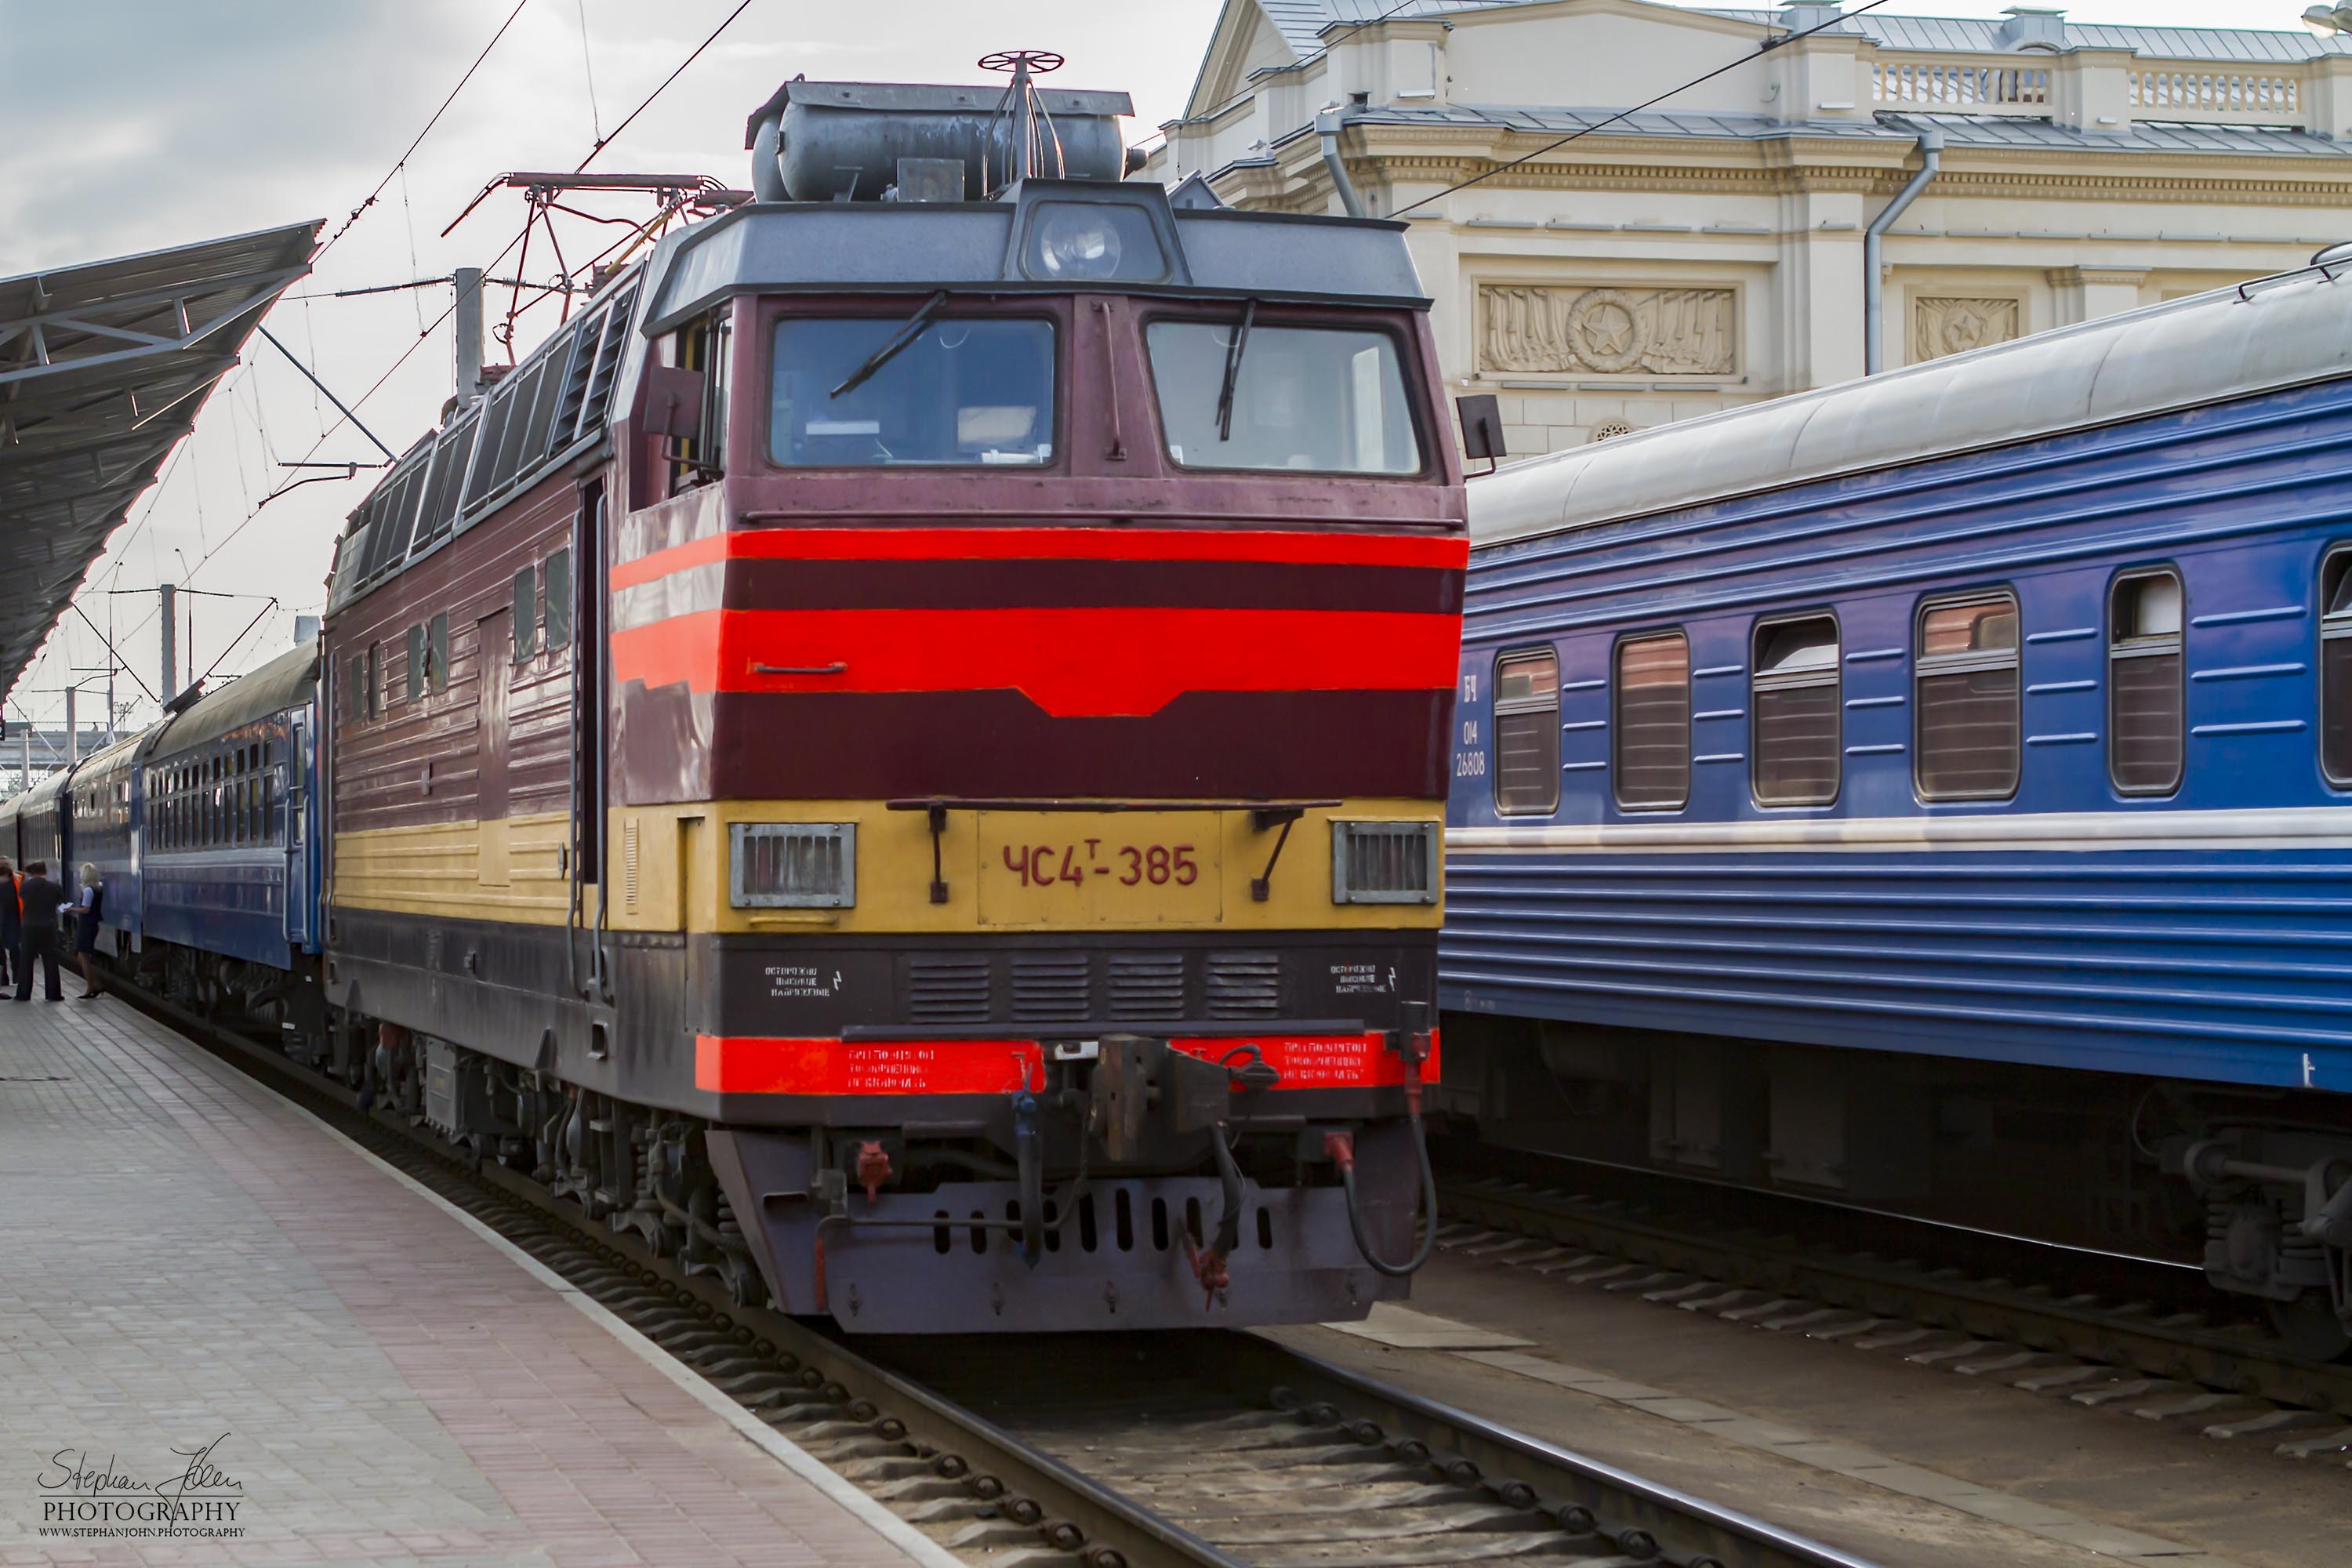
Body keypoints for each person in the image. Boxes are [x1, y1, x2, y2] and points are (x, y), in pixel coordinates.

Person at [14, 861, 65, 1002]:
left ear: (32, 872)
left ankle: (23, 994)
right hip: (48, 926)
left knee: (26, 960)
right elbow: (62, 904)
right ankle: (53, 994)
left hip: (29, 926)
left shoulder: (25, 887)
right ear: (45, 871)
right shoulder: (55, 887)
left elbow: (22, 899)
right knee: (50, 960)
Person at [73, 863, 103, 1001]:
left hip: (86, 925)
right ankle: (96, 983)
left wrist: (70, 910)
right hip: (92, 925)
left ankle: (91, 986)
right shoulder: (98, 888)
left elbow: (86, 909)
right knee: (82, 956)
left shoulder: (88, 891)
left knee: (83, 956)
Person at [0, 856, 17, 991]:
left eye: (6, 864)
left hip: (14, 919)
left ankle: (17, 976)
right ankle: (3, 978)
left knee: (15, 948)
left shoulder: (18, 880)